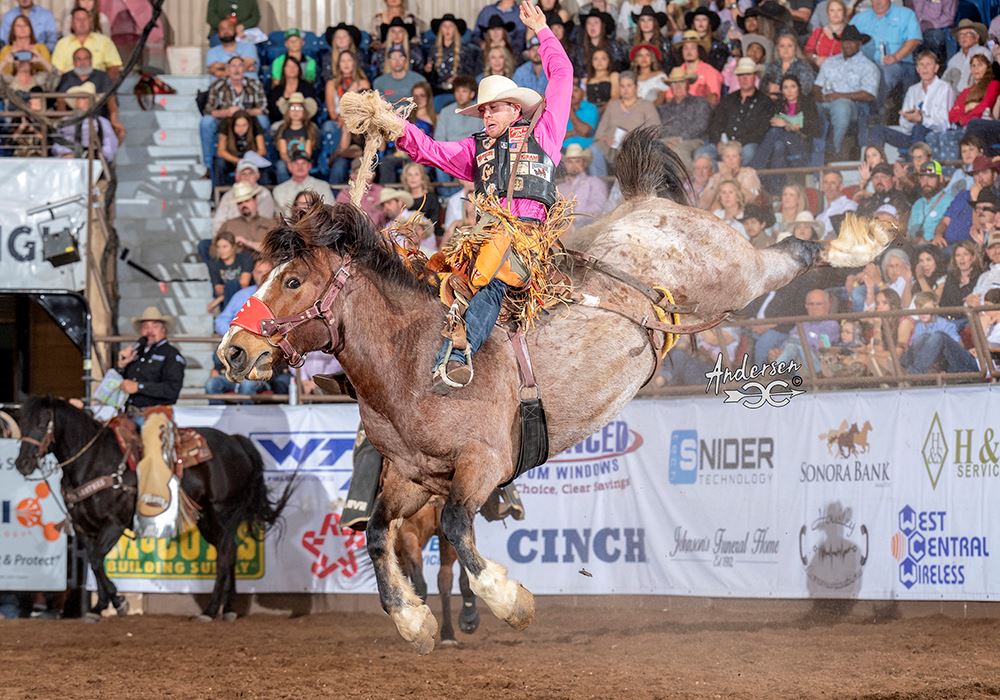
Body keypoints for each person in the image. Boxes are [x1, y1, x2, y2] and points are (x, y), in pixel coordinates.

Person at [391, 1, 570, 390]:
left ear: (514, 109)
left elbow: (562, 75)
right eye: (483, 110)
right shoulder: (477, 149)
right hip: (483, 239)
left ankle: (459, 353)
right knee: (428, 272)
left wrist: (543, 31)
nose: (486, 116)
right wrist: (397, 127)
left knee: (494, 270)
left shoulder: (544, 133)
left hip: (527, 238)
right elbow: (431, 151)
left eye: (494, 110)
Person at [206, 258, 276, 403]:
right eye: (258, 272)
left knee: (246, 387)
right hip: (238, 356)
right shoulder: (241, 295)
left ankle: (246, 424)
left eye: (266, 272)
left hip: (263, 361)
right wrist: (237, 336)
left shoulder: (279, 297)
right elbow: (220, 320)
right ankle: (218, 425)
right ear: (253, 274)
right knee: (212, 384)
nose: (262, 275)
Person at [813, 25, 879, 160]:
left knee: (841, 105)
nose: (847, 45)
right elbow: (817, 86)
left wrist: (839, 96)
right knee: (808, 107)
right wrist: (822, 98)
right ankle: (814, 155)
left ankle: (834, 151)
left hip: (852, 106)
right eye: (844, 41)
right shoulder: (830, 62)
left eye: (851, 41)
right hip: (825, 102)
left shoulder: (868, 66)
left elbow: (869, 94)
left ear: (859, 44)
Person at [869, 51, 954, 155]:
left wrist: (921, 119)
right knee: (878, 130)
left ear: (936, 68)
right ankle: (878, 167)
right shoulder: (912, 90)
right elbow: (904, 126)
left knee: (920, 128)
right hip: (912, 137)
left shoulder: (945, 88)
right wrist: (909, 118)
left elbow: (945, 123)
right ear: (917, 69)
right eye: (921, 65)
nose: (925, 68)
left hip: (934, 136)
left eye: (928, 64)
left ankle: (914, 167)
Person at [850, 0, 921, 113]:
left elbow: (914, 40)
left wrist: (896, 56)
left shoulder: (906, 14)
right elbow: (847, 41)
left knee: (881, 76)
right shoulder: (859, 18)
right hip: (864, 63)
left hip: (896, 63)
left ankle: (871, 112)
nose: (877, 2)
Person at [199, 56, 268, 173]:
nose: (237, 69)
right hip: (224, 121)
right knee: (206, 122)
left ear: (245, 69)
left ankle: (261, 158)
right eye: (233, 66)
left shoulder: (255, 85)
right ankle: (208, 166)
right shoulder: (218, 85)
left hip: (248, 121)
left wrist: (243, 112)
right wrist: (226, 112)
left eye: (240, 66)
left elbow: (263, 109)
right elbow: (209, 110)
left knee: (263, 120)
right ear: (227, 69)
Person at [750, 73, 820, 184]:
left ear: (798, 88)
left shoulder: (807, 103)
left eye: (793, 86)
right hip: (783, 142)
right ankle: (777, 190)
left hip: (801, 144)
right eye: (785, 87)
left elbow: (813, 127)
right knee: (778, 146)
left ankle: (754, 169)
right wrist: (791, 125)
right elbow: (772, 122)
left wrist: (787, 124)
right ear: (782, 90)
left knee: (775, 132)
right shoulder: (779, 104)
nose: (789, 91)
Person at [117, 307, 185, 411]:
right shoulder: (135, 352)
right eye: (145, 326)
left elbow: (172, 390)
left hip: (157, 413)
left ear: (164, 330)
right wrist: (121, 366)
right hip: (128, 411)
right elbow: (115, 383)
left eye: (155, 326)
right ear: (141, 331)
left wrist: (139, 387)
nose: (149, 331)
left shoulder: (171, 354)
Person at [707, 58, 774, 162]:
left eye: (748, 74)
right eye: (741, 75)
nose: (744, 78)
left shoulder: (765, 101)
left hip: (746, 144)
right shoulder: (728, 99)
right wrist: (717, 142)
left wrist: (738, 143)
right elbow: (716, 122)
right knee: (703, 153)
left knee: (749, 152)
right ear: (737, 78)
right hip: (724, 143)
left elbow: (761, 130)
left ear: (755, 76)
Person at [55, 47, 125, 141]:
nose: (82, 62)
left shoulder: (102, 77)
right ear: (73, 62)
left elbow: (111, 101)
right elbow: (60, 101)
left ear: (91, 61)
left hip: (99, 119)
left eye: (86, 58)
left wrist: (114, 121)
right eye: (78, 59)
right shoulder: (66, 77)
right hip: (72, 120)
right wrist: (63, 122)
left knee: (119, 132)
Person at [593, 70, 660, 168]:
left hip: (637, 146)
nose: (625, 89)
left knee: (628, 150)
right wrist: (607, 139)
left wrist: (637, 139)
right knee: (594, 150)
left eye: (629, 85)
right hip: (611, 147)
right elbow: (599, 134)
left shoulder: (647, 105)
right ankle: (600, 182)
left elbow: (655, 130)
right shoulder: (612, 105)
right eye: (622, 86)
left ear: (636, 87)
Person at [901, 291, 979, 374]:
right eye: (919, 309)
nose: (923, 313)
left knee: (938, 336)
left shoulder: (945, 325)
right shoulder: (919, 326)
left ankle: (913, 373)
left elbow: (956, 347)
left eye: (927, 309)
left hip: (952, 362)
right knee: (923, 337)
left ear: (936, 308)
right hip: (929, 363)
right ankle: (901, 368)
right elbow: (915, 349)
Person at [936, 156, 1000, 247]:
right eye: (976, 174)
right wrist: (937, 235)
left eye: (985, 173)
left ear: (994, 176)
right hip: (947, 244)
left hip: (971, 248)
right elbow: (944, 222)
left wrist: (975, 199)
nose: (980, 178)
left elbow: (978, 231)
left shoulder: (995, 198)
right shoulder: (962, 195)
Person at [657, 66, 711, 168]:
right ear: (670, 87)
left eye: (681, 82)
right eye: (674, 83)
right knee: (651, 150)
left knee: (677, 150)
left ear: (687, 85)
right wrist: (668, 140)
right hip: (667, 140)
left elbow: (701, 126)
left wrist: (680, 138)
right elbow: (659, 128)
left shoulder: (699, 102)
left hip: (692, 140)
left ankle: (688, 181)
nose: (678, 86)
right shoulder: (663, 109)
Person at [426, 14, 482, 111]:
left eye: (451, 26)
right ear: (440, 30)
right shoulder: (433, 50)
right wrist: (428, 71)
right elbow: (431, 79)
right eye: (444, 26)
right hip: (438, 92)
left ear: (455, 30)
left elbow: (470, 72)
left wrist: (459, 78)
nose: (447, 29)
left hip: (457, 92)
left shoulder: (465, 50)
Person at [52, 83, 119, 162]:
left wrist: (100, 155)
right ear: (76, 101)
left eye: (89, 99)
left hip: (94, 160)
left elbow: (110, 143)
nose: (86, 101)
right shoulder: (64, 122)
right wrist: (67, 153)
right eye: (83, 98)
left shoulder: (102, 122)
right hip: (69, 161)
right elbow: (57, 143)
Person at [772, 290, 839, 365]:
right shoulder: (803, 324)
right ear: (806, 306)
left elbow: (820, 346)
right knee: (792, 346)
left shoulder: (831, 324)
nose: (814, 308)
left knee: (796, 343)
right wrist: (780, 350)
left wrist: (799, 340)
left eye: (818, 304)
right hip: (798, 362)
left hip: (820, 363)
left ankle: (773, 370)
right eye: (811, 304)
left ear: (828, 305)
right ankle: (775, 368)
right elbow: (790, 339)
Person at [51, 6, 121, 78]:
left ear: (90, 22)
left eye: (85, 19)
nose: (82, 22)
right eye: (78, 19)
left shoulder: (104, 41)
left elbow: (114, 66)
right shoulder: (62, 44)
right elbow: (57, 71)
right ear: (72, 24)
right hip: (70, 84)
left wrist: (106, 84)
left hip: (98, 84)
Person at [212, 158, 276, 235]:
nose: (247, 177)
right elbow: (218, 222)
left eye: (250, 173)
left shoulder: (264, 194)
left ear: (257, 176)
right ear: (237, 177)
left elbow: (264, 221)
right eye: (243, 174)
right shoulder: (228, 196)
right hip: (230, 235)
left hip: (256, 234)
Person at [215, 180, 273, 257]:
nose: (243, 205)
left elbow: (274, 250)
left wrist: (247, 242)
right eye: (239, 203)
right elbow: (214, 249)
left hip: (263, 266)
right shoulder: (228, 224)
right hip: (235, 266)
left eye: (247, 200)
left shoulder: (270, 223)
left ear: (255, 200)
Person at [557, 143, 608, 229]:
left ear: (584, 163)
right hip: (561, 234)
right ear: (565, 164)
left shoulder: (595, 182)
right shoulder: (559, 188)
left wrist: (574, 218)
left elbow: (598, 208)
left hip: (588, 231)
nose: (574, 165)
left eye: (577, 161)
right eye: (569, 161)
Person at [699, 141, 761, 211]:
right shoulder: (716, 176)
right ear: (722, 159)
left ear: (740, 158)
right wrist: (715, 185)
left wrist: (728, 177)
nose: (731, 159)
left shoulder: (748, 173)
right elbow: (703, 204)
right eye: (727, 156)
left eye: (734, 156)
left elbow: (748, 199)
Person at [214, 109, 267, 188]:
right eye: (237, 125)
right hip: (232, 159)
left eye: (244, 125)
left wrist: (249, 160)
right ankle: (220, 193)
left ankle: (263, 192)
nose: (240, 129)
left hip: (251, 159)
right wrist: (239, 161)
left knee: (266, 167)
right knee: (219, 162)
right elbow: (221, 151)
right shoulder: (226, 123)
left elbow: (262, 150)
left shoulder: (254, 123)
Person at [274, 92, 320, 183]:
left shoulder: (309, 129)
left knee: (305, 165)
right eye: (293, 108)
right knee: (280, 165)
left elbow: (308, 153)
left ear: (304, 111)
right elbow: (283, 153)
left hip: (304, 160)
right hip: (289, 161)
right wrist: (292, 163)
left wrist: (299, 163)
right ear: (288, 111)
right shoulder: (283, 129)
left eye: (299, 108)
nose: (296, 111)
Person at [671, 30, 723, 107]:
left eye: (693, 47)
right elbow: (669, 98)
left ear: (699, 50)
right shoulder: (677, 71)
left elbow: (713, 100)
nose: (689, 51)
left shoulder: (710, 71)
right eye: (685, 48)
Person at [273, 148, 334, 212]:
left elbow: (330, 212)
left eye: (304, 163)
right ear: (289, 166)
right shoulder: (279, 190)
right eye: (296, 163)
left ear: (310, 166)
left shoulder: (323, 186)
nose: (300, 167)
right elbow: (278, 218)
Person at [907, 161, 954, 243]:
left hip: (936, 249)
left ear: (941, 178)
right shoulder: (917, 204)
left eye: (931, 177)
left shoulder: (950, 201)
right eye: (922, 178)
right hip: (912, 248)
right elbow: (908, 232)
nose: (926, 182)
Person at [948, 54, 999, 128]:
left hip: (979, 128)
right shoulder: (966, 91)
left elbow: (984, 108)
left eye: (980, 65)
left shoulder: (994, 85)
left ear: (987, 68)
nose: (976, 68)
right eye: (973, 66)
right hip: (960, 127)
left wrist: (962, 119)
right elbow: (951, 115)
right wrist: (967, 107)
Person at [335, 158, 388, 229]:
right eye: (359, 173)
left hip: (380, 232)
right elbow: (340, 217)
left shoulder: (381, 191)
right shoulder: (345, 194)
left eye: (367, 172)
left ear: (373, 174)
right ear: (352, 175)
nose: (363, 176)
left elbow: (389, 213)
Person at [267, 55, 318, 124]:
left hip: (304, 122)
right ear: (283, 69)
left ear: (299, 69)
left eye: (295, 66)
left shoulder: (307, 88)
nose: (292, 69)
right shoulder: (277, 90)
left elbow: (311, 109)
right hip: (281, 123)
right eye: (289, 66)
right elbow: (273, 112)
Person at [943, 19, 990, 94]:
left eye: (968, 34)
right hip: (955, 99)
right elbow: (944, 82)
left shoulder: (984, 53)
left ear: (976, 38)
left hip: (977, 95)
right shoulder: (954, 59)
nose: (963, 37)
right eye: (961, 35)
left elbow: (987, 78)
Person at [939, 239, 983, 311]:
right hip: (946, 317)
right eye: (958, 255)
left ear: (973, 258)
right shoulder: (950, 276)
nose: (961, 258)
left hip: (967, 318)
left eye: (965, 254)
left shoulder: (981, 277)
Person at [803, 0, 845, 68]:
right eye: (832, 10)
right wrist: (815, 58)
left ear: (844, 13)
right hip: (818, 71)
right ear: (827, 14)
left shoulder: (850, 33)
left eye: (839, 10)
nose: (835, 13)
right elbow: (807, 53)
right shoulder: (818, 32)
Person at [816, 169, 858, 237]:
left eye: (833, 183)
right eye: (826, 183)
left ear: (841, 186)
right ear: (822, 187)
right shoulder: (820, 217)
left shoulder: (849, 206)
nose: (828, 187)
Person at [968, 229, 1000, 305]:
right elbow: (970, 300)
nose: (997, 251)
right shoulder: (983, 277)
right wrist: (969, 301)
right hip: (979, 315)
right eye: (992, 248)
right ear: (987, 252)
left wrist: (980, 302)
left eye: (999, 246)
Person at [584, 48, 619, 112]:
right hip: (590, 112)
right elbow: (584, 100)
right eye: (595, 59)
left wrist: (601, 110)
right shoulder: (586, 79)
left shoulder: (613, 76)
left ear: (609, 61)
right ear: (591, 62)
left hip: (610, 111)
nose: (599, 62)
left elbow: (615, 97)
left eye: (603, 59)